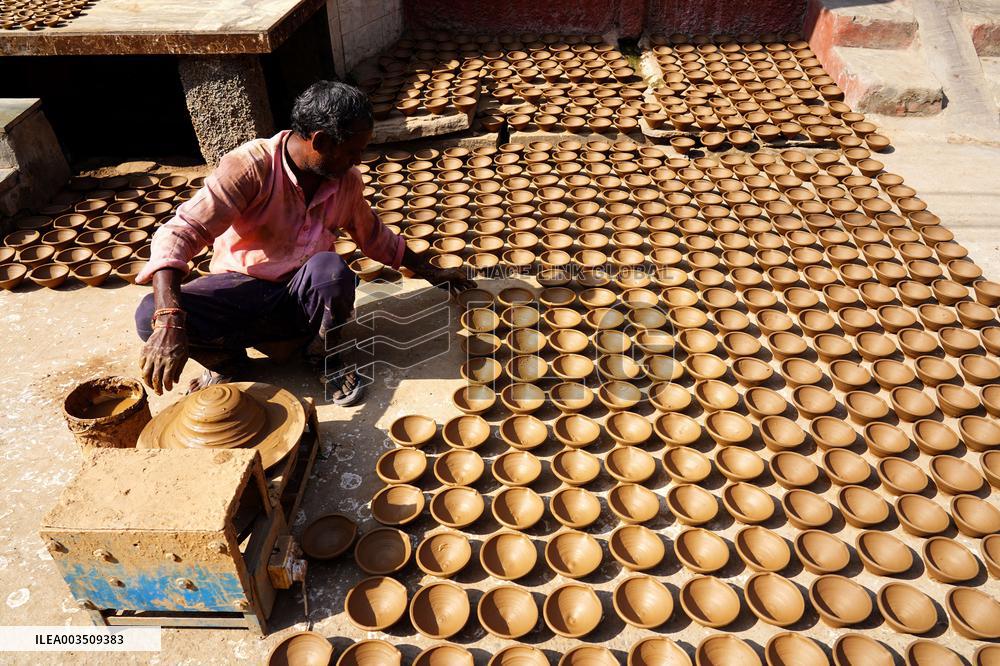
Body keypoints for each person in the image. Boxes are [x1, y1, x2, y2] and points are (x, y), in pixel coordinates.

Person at [135, 80, 474, 405]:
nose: (359, 161)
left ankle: (321, 354)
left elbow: (374, 235)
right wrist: (170, 319)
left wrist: (430, 271)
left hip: (300, 297)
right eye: (353, 151)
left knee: (331, 270)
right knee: (149, 313)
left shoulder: (345, 182)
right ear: (322, 141)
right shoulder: (250, 166)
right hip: (242, 290)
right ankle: (227, 362)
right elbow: (178, 233)